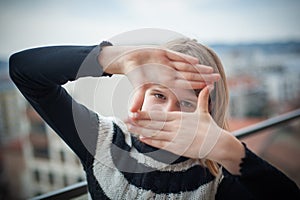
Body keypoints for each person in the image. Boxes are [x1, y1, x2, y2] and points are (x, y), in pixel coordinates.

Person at [9, 37, 299, 200]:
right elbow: (24, 70)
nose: (168, 112)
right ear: (141, 93)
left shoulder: (216, 183)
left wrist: (229, 151)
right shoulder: (102, 141)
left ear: (208, 112)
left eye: (186, 102)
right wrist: (115, 58)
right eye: (159, 95)